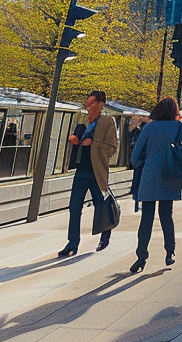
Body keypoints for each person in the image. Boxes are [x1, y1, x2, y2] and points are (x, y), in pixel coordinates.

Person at [130, 96, 182, 272]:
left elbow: (135, 156)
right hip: (169, 175)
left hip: (149, 174)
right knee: (166, 215)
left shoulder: (149, 127)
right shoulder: (178, 127)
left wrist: (144, 163)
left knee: (146, 217)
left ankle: (141, 257)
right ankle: (170, 252)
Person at [58, 90, 118, 257]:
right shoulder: (82, 120)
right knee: (74, 206)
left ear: (101, 104)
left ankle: (105, 234)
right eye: (87, 103)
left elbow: (112, 148)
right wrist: (74, 141)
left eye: (92, 103)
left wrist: (94, 143)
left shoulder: (107, 122)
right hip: (81, 169)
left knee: (101, 204)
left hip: (96, 170)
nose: (88, 106)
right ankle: (73, 242)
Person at [127, 115, 146, 212]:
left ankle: (137, 200)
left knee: (138, 182)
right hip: (143, 162)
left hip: (139, 162)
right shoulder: (140, 131)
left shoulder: (140, 131)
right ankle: (138, 201)